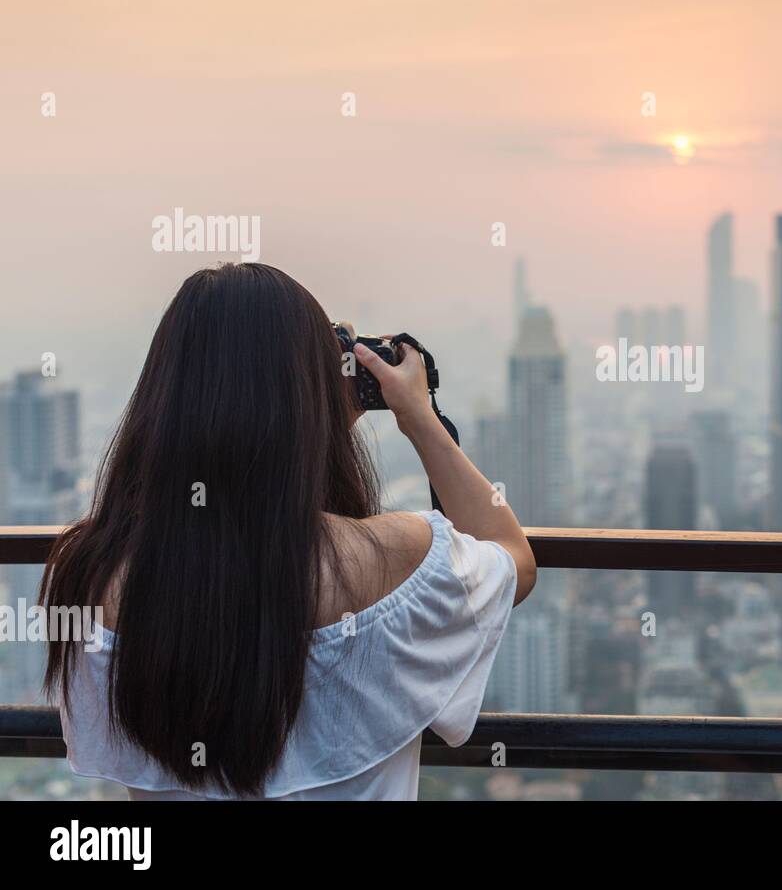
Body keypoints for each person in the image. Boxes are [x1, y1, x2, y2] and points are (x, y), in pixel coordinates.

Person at [41, 262, 536, 799]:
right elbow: (512, 556)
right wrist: (417, 416)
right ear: (313, 389)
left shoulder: (88, 573)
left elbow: (247, 541)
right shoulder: (394, 556)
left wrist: (312, 429)